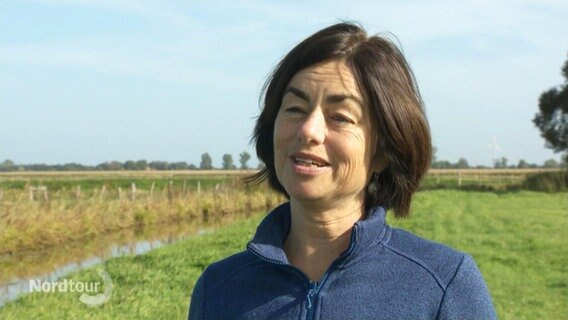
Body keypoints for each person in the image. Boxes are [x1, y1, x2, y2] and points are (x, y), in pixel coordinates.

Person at [188, 22, 496, 319]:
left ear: (383, 151)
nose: (309, 130)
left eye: (340, 116)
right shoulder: (218, 288)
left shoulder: (443, 287)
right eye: (295, 109)